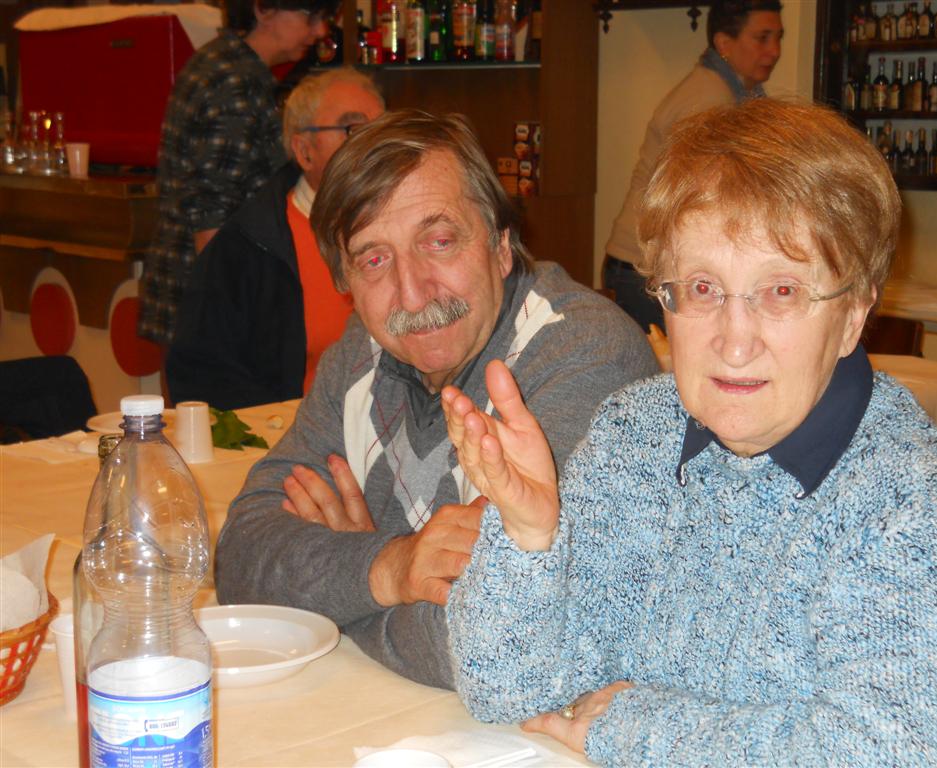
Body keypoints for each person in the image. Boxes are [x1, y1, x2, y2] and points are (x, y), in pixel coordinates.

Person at [442, 99, 937, 766]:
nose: (734, 341)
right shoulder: (634, 437)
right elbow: (507, 690)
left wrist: (639, 727)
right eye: (702, 288)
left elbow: (902, 757)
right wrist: (527, 538)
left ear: (854, 314)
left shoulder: (915, 511)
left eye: (782, 292)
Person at [214, 110, 660, 689]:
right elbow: (240, 561)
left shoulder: (585, 356)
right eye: (374, 259)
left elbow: (493, 643)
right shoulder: (360, 354)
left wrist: (341, 590)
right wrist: (387, 566)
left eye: (440, 241)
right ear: (346, 282)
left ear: (502, 245)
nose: (412, 292)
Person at [166, 68, 385, 409]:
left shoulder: (411, 228)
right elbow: (201, 372)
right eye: (353, 129)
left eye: (382, 130)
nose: (374, 144)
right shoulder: (248, 246)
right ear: (304, 150)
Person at [138, 0, 332, 348]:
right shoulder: (234, 82)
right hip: (213, 298)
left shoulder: (224, 64)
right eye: (312, 16)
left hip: (196, 289)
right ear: (263, 9)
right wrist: (227, 317)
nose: (321, 30)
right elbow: (212, 214)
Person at [603, 0, 783, 333]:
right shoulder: (710, 101)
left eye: (778, 38)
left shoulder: (735, 94)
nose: (774, 50)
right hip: (645, 271)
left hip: (649, 264)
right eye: (762, 38)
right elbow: (705, 201)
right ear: (724, 43)